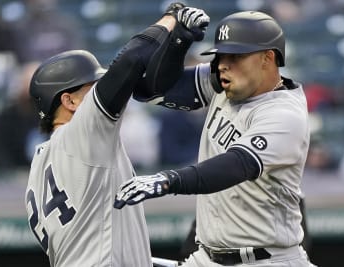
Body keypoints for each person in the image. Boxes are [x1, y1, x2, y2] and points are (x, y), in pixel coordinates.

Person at [115, 11, 316, 267]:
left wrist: (169, 180)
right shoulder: (224, 84)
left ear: (268, 57)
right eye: (221, 55)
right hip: (206, 256)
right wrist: (178, 42)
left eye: (236, 56)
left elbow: (236, 165)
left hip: (266, 260)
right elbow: (148, 90)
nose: (223, 64)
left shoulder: (285, 113)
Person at [24, 3, 209, 267]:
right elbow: (130, 61)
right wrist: (171, 20)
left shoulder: (40, 166)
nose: (103, 87)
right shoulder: (79, 136)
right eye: (93, 85)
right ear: (69, 101)